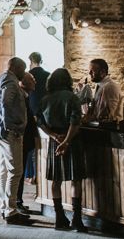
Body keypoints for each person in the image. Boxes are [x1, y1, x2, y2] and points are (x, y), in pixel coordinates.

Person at [37, 67, 87, 232]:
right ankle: (77, 219)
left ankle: (59, 218)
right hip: (71, 141)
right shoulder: (72, 98)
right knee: (76, 179)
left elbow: (40, 121)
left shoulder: (45, 99)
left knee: (56, 180)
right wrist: (66, 141)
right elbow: (75, 122)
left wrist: (53, 135)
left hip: (55, 141)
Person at [0, 57, 33, 226]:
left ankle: (4, 206)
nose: (24, 72)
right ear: (16, 68)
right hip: (10, 133)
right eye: (23, 68)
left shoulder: (0, 79)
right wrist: (10, 125)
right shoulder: (12, 82)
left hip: (0, 131)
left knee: (4, 169)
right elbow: (6, 102)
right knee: (16, 171)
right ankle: (11, 211)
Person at [24, 52, 50, 186]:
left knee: (29, 146)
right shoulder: (48, 75)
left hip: (30, 112)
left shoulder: (27, 76)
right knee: (44, 144)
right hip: (44, 113)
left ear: (31, 61)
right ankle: (41, 172)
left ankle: (29, 175)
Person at [15, 71, 38, 215]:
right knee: (19, 172)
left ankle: (19, 201)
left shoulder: (26, 96)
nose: (35, 82)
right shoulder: (20, 97)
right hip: (21, 138)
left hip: (26, 139)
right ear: (24, 83)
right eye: (32, 80)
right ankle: (17, 202)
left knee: (21, 171)